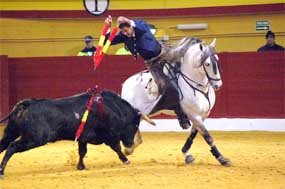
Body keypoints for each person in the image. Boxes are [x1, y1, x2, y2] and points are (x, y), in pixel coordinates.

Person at [105, 15, 191, 129]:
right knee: (164, 85)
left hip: (166, 54)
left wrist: (128, 20)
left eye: (126, 30)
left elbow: (139, 25)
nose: (125, 33)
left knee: (187, 67)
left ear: (131, 26)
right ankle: (181, 115)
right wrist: (107, 27)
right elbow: (108, 40)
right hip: (153, 64)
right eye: (123, 32)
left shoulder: (141, 26)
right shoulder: (123, 36)